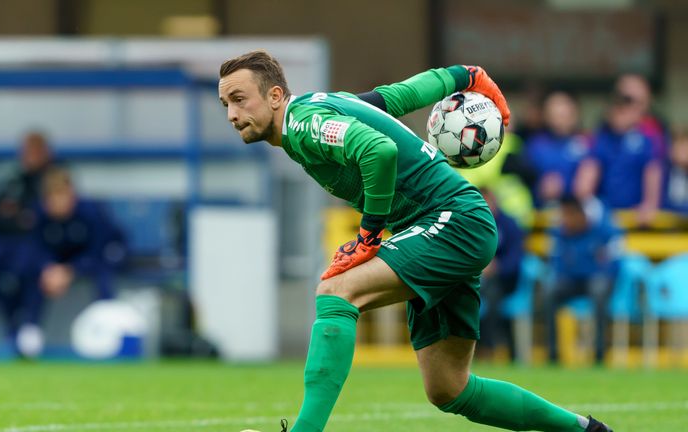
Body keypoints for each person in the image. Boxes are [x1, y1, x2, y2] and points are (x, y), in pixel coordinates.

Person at [218, 50, 612, 432]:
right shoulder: (326, 105)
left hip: (452, 221)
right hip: (453, 224)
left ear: (274, 96)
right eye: (226, 104)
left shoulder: (302, 123)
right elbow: (396, 97)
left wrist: (367, 235)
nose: (233, 114)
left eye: (239, 99)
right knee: (449, 389)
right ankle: (585, 430)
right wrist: (465, 75)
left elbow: (379, 150)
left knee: (337, 291)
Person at [16, 167, 127, 357]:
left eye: (63, 196)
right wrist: (48, 268)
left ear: (72, 195)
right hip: (60, 263)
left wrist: (70, 270)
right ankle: (29, 329)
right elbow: (35, 248)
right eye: (53, 198)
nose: (59, 203)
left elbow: (98, 252)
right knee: (27, 269)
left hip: (99, 256)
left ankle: (108, 328)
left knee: (104, 271)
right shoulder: (40, 216)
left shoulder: (92, 213)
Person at [0, 131, 54, 340]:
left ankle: (29, 325)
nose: (30, 157)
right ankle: (11, 313)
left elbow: (44, 221)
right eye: (27, 152)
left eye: (35, 153)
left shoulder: (52, 180)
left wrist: (20, 218)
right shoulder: (11, 179)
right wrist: (22, 219)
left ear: (45, 154)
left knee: (27, 270)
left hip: (38, 245)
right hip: (4, 243)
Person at [544, 196, 622, 365]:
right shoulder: (558, 234)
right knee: (549, 292)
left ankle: (599, 354)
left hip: (595, 280)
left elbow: (614, 265)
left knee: (599, 290)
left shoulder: (604, 232)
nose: (565, 220)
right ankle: (553, 354)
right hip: (571, 282)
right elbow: (556, 265)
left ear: (580, 214)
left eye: (568, 215)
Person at [574, 79, 663, 226]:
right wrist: (587, 207)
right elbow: (586, 179)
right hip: (607, 215)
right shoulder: (601, 139)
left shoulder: (648, 139)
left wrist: (649, 204)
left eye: (626, 108)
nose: (621, 113)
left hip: (636, 216)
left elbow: (652, 172)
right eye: (617, 107)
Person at [478, 188, 525, 361]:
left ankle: (488, 348)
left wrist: (497, 267)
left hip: (507, 281)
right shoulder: (471, 224)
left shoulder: (509, 224)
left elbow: (516, 258)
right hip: (478, 278)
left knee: (492, 293)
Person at [525, 90, 590, 208]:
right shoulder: (535, 145)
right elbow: (525, 180)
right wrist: (540, 187)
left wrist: (567, 185)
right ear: (547, 116)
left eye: (564, 115)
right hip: (542, 211)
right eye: (555, 114)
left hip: (577, 211)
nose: (560, 120)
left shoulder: (586, 143)